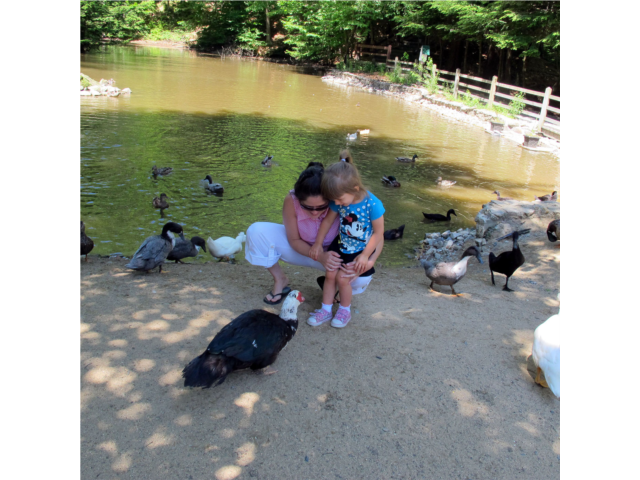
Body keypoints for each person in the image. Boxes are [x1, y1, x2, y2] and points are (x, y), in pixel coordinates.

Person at [245, 162, 383, 305]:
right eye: (307, 207)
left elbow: (377, 234)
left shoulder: (342, 200)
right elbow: (293, 239)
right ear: (299, 199)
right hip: (305, 251)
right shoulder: (292, 200)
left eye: (322, 206)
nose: (315, 212)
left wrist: (369, 260)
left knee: (360, 277)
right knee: (256, 232)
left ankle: (334, 285)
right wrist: (320, 256)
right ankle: (280, 279)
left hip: (335, 256)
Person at [308, 161, 385, 328]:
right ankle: (326, 309)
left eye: (340, 199)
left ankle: (344, 310)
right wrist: (318, 244)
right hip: (341, 244)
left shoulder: (373, 205)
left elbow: (379, 233)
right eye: (334, 200)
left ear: (355, 188)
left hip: (359, 250)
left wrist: (365, 256)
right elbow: (328, 222)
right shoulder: (339, 199)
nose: (337, 203)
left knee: (343, 279)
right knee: (330, 275)